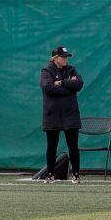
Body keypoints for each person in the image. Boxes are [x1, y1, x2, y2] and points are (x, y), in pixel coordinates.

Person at [40, 46, 84, 184]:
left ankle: (76, 175)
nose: (65, 59)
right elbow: (48, 88)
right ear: (55, 58)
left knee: (73, 146)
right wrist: (68, 89)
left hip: (70, 114)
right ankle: (50, 175)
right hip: (52, 115)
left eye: (66, 57)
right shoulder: (46, 71)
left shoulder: (71, 69)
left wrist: (62, 83)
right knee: (51, 146)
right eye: (63, 57)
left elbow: (79, 84)